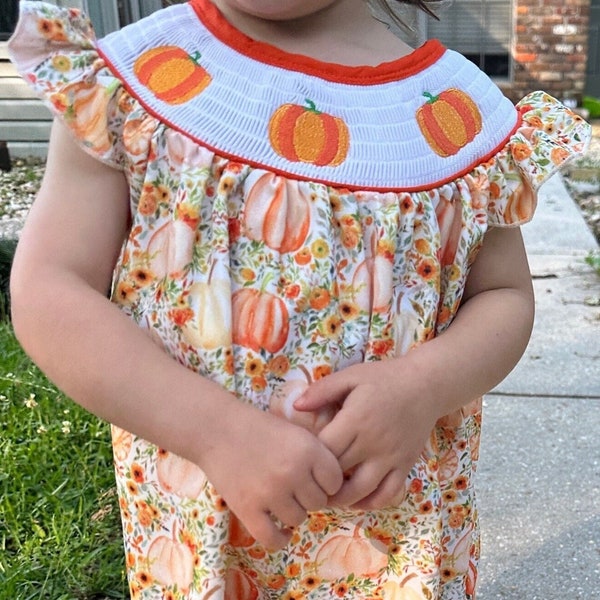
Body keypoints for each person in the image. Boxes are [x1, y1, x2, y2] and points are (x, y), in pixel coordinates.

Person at [8, 0, 590, 598]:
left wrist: (425, 386)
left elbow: (504, 296)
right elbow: (51, 288)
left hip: (395, 544)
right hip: (207, 539)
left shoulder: (457, 118)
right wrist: (215, 432)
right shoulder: (141, 83)